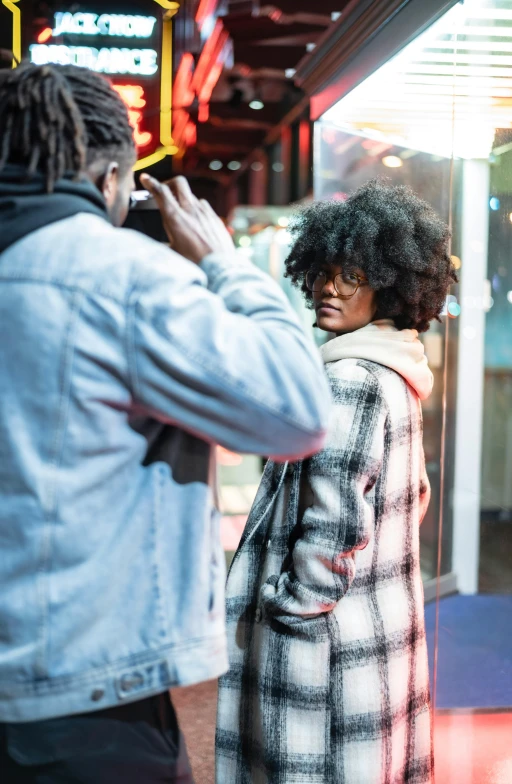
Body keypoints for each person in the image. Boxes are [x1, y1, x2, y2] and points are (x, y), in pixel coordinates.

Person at [0, 62, 331, 782]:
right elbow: (298, 411)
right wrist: (224, 262)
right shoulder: (122, 276)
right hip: (86, 703)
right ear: (112, 178)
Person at [216, 179, 458, 783]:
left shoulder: (347, 377)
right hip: (376, 631)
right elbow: (411, 500)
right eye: (324, 271)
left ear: (390, 283)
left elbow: (334, 525)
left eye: (353, 275)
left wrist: (292, 609)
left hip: (324, 648)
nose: (330, 287)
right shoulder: (398, 373)